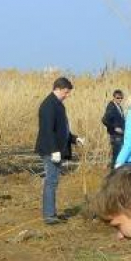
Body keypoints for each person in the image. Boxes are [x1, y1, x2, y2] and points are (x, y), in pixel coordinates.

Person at [35, 76, 84, 225]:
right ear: (57, 89)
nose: (67, 95)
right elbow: (47, 130)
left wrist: (74, 139)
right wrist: (54, 150)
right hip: (51, 150)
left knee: (53, 181)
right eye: (66, 92)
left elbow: (62, 129)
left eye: (68, 92)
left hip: (56, 149)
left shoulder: (58, 104)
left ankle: (52, 213)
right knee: (51, 181)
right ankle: (49, 216)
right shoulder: (48, 105)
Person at [101, 89, 125, 168]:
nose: (120, 99)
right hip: (115, 136)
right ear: (114, 97)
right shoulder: (111, 107)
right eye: (118, 98)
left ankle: (116, 173)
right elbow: (104, 120)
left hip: (120, 135)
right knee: (116, 157)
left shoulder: (119, 107)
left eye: (121, 98)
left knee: (118, 156)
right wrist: (114, 128)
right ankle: (113, 174)